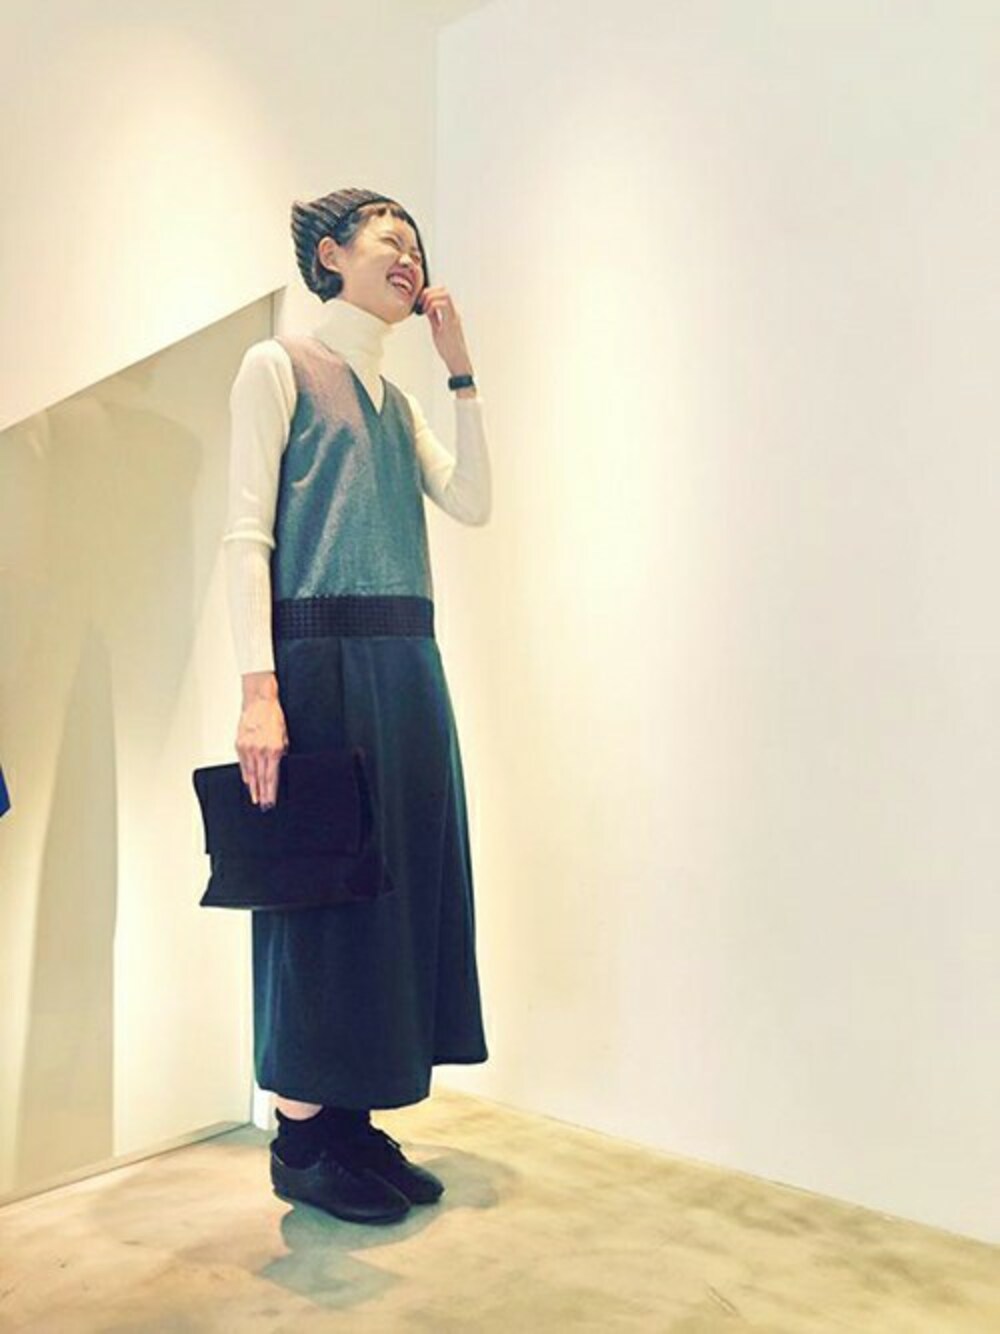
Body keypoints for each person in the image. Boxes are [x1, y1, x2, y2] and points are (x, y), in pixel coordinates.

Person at [222, 187, 492, 1224]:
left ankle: (350, 1121)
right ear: (331, 255)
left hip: (407, 663)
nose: (408, 251)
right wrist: (259, 691)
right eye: (389, 234)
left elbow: (472, 503)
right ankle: (300, 1139)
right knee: (318, 892)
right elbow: (246, 535)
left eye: (416, 240)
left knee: (393, 893)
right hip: (319, 662)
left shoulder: (400, 403)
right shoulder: (278, 366)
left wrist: (460, 371)